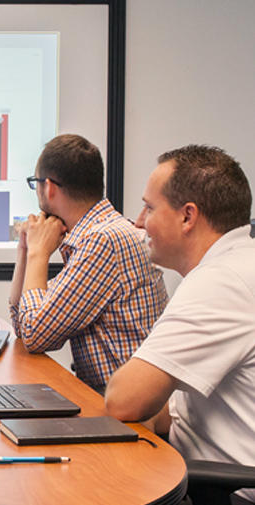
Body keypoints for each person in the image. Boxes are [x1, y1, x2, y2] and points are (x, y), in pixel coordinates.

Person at [105, 145, 255, 503]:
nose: (139, 222)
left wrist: (144, 406)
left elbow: (123, 401)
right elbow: (164, 410)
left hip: (224, 493)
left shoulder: (221, 281)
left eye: (150, 207)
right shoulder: (237, 264)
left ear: (188, 217)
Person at [9, 134, 168, 393]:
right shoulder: (94, 236)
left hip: (127, 415)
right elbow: (22, 322)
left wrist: (39, 253)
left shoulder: (103, 241)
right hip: (109, 403)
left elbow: (35, 335)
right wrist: (25, 248)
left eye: (34, 183)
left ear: (48, 187)